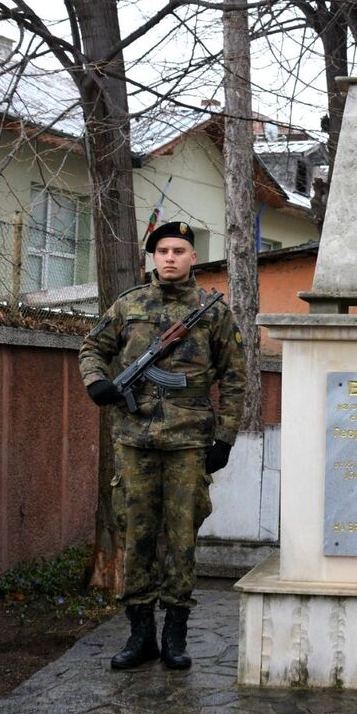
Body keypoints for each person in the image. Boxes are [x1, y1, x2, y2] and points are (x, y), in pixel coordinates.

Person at [79, 221, 245, 671]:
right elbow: (91, 348)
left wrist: (225, 438)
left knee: (181, 536)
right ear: (153, 257)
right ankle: (140, 634)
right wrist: (97, 382)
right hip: (134, 441)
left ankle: (175, 634)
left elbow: (234, 380)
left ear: (193, 257)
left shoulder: (213, 313)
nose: (170, 257)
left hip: (188, 442)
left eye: (179, 250)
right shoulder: (128, 303)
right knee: (137, 534)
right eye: (163, 251)